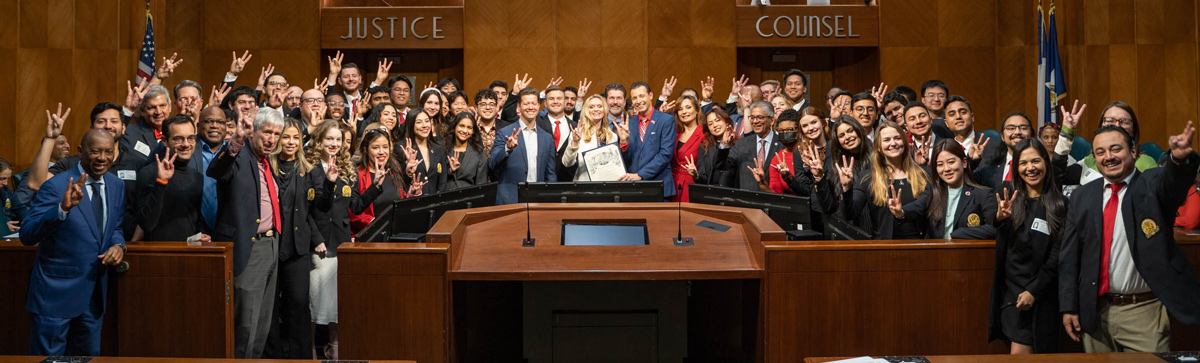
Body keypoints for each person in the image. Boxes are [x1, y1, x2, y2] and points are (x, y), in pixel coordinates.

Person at [1059, 122, 1200, 353]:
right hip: (1095, 312)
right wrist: (1068, 306)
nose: (1108, 157)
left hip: (1143, 313)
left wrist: (1178, 161)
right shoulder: (1082, 196)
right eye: (1100, 152)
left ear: (1133, 151)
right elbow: (1069, 257)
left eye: (1116, 149)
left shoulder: (1152, 184)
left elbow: (1173, 184)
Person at [20, 129, 126, 356]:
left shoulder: (117, 185)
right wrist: (62, 209)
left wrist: (118, 245)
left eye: (109, 152)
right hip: (55, 294)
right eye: (95, 151)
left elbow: (114, 227)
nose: (102, 158)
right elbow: (27, 234)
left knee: (87, 358)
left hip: (94, 294)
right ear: (80, 152)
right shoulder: (56, 186)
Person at [207, 106, 283, 358]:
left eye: (276, 134)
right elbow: (215, 171)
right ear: (253, 132)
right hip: (248, 246)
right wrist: (236, 140)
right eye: (266, 132)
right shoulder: (239, 154)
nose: (271, 139)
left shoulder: (266, 161)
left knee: (262, 321)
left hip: (271, 244)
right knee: (246, 322)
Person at [306, 121, 378, 360]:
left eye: (338, 140)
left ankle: (335, 349)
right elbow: (307, 210)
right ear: (319, 140)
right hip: (319, 244)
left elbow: (355, 206)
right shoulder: (309, 167)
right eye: (329, 139)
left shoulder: (348, 169)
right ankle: (312, 352)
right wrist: (316, 239)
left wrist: (375, 188)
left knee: (337, 303)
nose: (334, 144)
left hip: (341, 242)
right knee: (316, 301)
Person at [987, 139, 1066, 354]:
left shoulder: (1059, 204)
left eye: (1035, 161)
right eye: (1023, 163)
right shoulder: (1008, 197)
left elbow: (1057, 254)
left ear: (1046, 164)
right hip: (1013, 295)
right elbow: (991, 220)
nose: (1029, 168)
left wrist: (1034, 290)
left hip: (1044, 295)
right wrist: (1000, 218)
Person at [261, 118, 326, 359]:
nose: (290, 142)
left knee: (299, 305)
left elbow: (316, 209)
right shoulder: (266, 165)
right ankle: (272, 356)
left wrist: (329, 184)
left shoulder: (310, 170)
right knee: (270, 307)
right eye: (285, 137)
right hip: (270, 245)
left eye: (295, 137)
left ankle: (301, 357)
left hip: (297, 248)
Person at [836, 121, 930, 239]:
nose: (893, 143)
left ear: (905, 143)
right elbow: (849, 214)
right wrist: (846, 188)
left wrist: (902, 212)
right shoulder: (868, 178)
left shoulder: (925, 174)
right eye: (886, 140)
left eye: (897, 138)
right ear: (879, 148)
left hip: (922, 245)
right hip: (885, 247)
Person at [891, 139, 997, 240]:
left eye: (951, 162)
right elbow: (917, 207)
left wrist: (958, 234)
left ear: (964, 162)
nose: (946, 169)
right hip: (935, 255)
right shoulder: (932, 192)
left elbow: (994, 228)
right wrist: (901, 212)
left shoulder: (983, 194)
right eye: (940, 165)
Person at [135, 115, 210, 242]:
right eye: (178, 139)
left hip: (190, 254)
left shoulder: (197, 177)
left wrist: (202, 236)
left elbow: (195, 221)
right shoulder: (149, 173)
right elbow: (146, 224)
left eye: (190, 138)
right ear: (164, 141)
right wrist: (161, 183)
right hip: (157, 255)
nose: (186, 144)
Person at [1062, 102, 1159, 185]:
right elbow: (1056, 177)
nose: (1116, 126)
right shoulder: (1090, 161)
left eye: (1124, 121)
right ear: (1101, 128)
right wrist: (1067, 133)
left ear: (1133, 130)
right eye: (1109, 120)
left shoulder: (1146, 163)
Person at [489, 88, 557, 205]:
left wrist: (550, 199)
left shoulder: (547, 138)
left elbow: (550, 174)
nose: (530, 107)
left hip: (538, 199)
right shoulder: (504, 132)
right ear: (518, 107)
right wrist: (507, 148)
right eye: (526, 104)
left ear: (538, 106)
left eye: (534, 104)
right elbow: (492, 163)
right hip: (510, 199)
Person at [350, 129, 425, 234]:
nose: (381, 152)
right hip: (370, 235)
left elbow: (399, 201)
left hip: (396, 232)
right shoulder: (357, 174)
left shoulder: (394, 170)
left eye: (385, 147)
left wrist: (411, 194)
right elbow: (352, 211)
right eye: (375, 147)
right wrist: (377, 224)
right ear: (365, 149)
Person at [615, 82, 676, 199]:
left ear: (651, 96)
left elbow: (665, 154)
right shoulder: (629, 124)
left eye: (642, 96)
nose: (638, 101)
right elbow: (625, 160)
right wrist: (623, 143)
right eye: (634, 98)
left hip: (659, 186)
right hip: (633, 189)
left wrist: (641, 175)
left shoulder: (666, 120)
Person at [724, 101, 781, 192]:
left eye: (760, 117)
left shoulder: (781, 144)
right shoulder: (741, 144)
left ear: (772, 120)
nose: (755, 121)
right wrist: (724, 146)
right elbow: (724, 166)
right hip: (746, 201)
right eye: (752, 117)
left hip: (773, 200)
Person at [563, 95, 620, 181]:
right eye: (591, 107)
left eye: (599, 106)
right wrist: (574, 143)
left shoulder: (612, 136)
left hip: (608, 186)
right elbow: (567, 163)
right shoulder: (578, 134)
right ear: (586, 111)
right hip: (585, 187)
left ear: (604, 110)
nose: (596, 109)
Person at [395, 110, 450, 196]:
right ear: (411, 124)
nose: (424, 125)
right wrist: (408, 172)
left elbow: (443, 182)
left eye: (427, 121)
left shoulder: (439, 149)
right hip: (412, 201)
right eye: (419, 122)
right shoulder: (402, 148)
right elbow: (398, 182)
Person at [536, 85, 578, 181]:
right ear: (545, 103)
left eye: (559, 98)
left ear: (564, 102)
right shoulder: (536, 123)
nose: (555, 101)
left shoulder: (575, 127)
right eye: (551, 99)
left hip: (568, 182)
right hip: (541, 181)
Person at [670, 96, 704, 202]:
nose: (684, 112)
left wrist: (696, 174)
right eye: (680, 109)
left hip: (690, 185)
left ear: (697, 110)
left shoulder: (704, 134)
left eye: (688, 107)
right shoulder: (674, 132)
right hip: (672, 183)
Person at [125, 84, 172, 158]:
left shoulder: (178, 132)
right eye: (152, 107)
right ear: (142, 111)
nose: (158, 112)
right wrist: (128, 110)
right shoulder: (129, 132)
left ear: (169, 107)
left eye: (162, 105)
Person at [446, 112, 490, 189]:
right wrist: (450, 170)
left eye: (469, 128)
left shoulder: (478, 153)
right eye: (461, 126)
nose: (465, 131)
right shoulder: (443, 149)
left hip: (468, 198)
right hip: (445, 197)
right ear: (454, 127)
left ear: (473, 131)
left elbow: (481, 184)